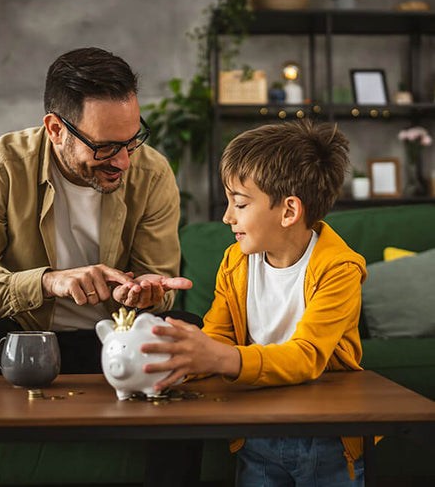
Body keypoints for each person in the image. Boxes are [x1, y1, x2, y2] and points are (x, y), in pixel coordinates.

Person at [0, 47, 199, 487]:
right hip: (19, 343)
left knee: (184, 329)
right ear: (55, 129)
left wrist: (145, 293)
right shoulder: (1, 165)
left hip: (110, 346)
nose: (122, 160)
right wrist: (49, 283)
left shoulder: (153, 172)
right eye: (105, 146)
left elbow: (156, 281)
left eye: (131, 139)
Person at [142, 120, 368, 486]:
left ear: (289, 211)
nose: (227, 216)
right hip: (256, 427)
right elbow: (218, 336)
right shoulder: (235, 262)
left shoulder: (339, 269)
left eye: (240, 203)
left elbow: (307, 355)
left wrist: (221, 358)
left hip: (325, 432)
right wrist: (175, 361)